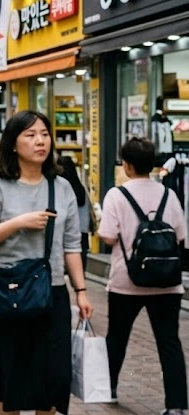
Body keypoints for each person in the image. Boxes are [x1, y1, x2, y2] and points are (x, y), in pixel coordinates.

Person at [0, 110, 92, 415]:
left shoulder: (61, 186)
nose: (41, 141)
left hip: (51, 295)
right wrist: (19, 222)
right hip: (6, 295)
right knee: (9, 384)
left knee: (51, 383)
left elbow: (72, 245)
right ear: (13, 143)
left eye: (45, 134)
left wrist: (81, 289)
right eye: (31, 134)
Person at [98, 138, 187, 413]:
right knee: (169, 342)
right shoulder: (168, 195)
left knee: (117, 337)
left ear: (127, 165)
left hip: (127, 282)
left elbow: (109, 237)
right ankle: (177, 405)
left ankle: (109, 388)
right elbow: (181, 236)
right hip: (167, 284)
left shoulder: (116, 195)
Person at [57, 154, 93, 273]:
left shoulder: (61, 189)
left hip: (65, 233)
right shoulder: (80, 188)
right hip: (82, 231)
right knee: (79, 267)